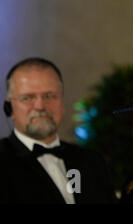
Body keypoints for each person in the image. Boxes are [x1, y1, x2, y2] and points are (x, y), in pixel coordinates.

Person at [0, 57, 116, 204]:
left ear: (62, 103)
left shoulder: (92, 161)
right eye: (28, 98)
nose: (40, 106)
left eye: (49, 96)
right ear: (9, 108)